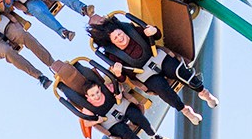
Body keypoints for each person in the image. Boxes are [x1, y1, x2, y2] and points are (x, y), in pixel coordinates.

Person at [87, 12, 218, 122]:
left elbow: (156, 35)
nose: (120, 38)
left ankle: (203, 93)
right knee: (162, 89)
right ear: (112, 42)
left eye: (120, 34)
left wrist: (153, 30)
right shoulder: (113, 55)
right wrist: (118, 73)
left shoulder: (131, 30)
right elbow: (122, 78)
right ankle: (186, 111)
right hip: (144, 72)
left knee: (179, 71)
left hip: (156, 56)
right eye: (116, 38)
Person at [50, 59, 167, 139]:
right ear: (87, 97)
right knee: (125, 132)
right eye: (92, 95)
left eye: (97, 92)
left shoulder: (106, 88)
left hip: (121, 106)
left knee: (137, 116)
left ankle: (155, 136)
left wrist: (119, 93)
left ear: (100, 89)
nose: (96, 96)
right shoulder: (87, 107)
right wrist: (98, 121)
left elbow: (118, 87)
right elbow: (86, 123)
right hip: (109, 121)